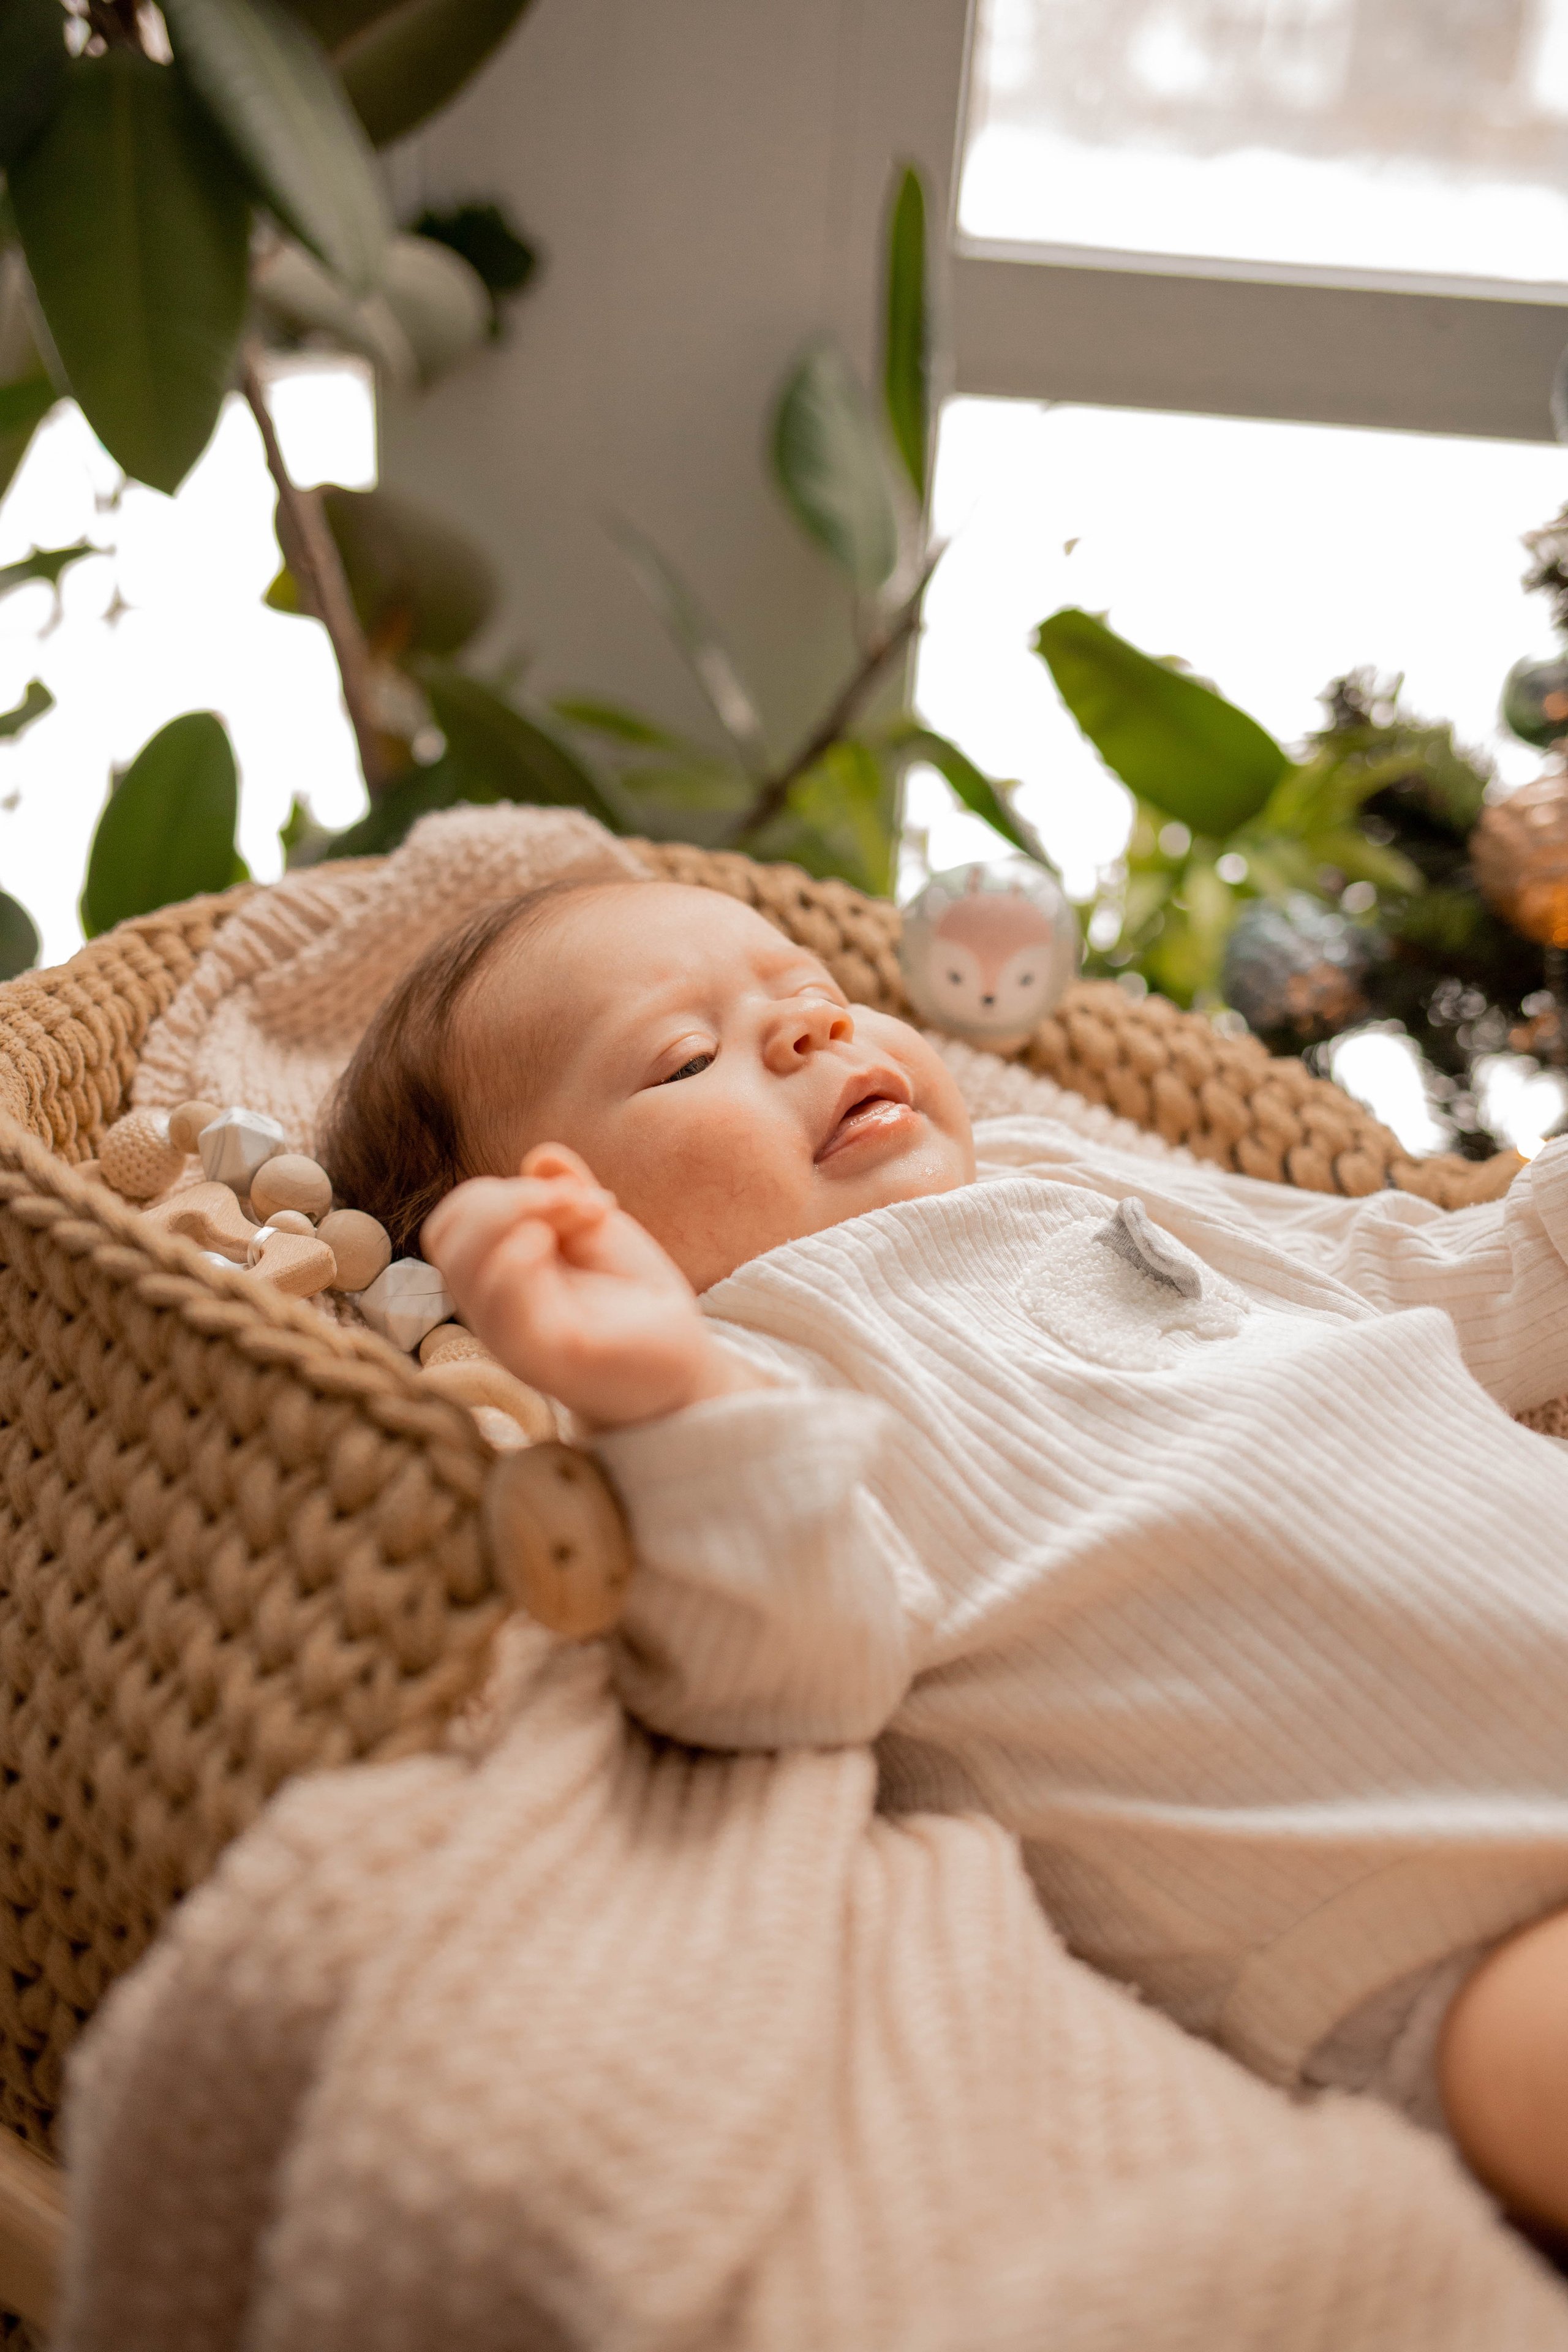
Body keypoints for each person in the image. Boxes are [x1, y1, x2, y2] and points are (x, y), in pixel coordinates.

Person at [323, 873, 1568, 2234]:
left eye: (810, 996)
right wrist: (659, 1392)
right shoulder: (732, 1391)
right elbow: (783, 1669)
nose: (809, 1034)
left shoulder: (1056, 1173)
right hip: (1423, 1912)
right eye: (684, 1058)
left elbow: (1439, 1274)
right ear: (554, 1255)